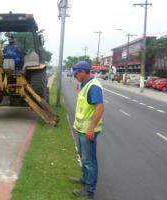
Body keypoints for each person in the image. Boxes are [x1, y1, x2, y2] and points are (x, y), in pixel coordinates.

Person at [69, 61, 104, 200]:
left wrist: (91, 128)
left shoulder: (93, 86)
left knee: (89, 160)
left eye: (76, 74)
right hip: (82, 129)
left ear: (83, 71)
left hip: (88, 131)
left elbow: (100, 107)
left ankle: (89, 189)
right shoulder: (85, 84)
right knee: (84, 157)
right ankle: (84, 179)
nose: (75, 76)